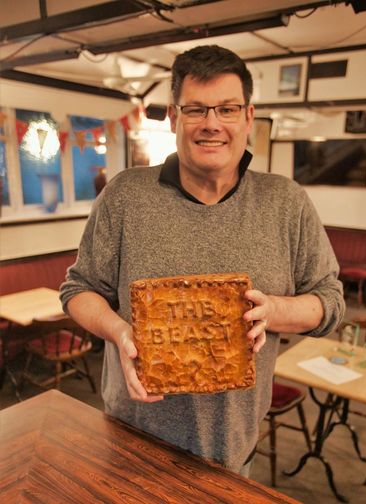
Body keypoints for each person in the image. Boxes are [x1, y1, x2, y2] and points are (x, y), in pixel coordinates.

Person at [60, 45, 345, 476]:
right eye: (196, 109)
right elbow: (77, 290)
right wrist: (120, 332)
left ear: (249, 116)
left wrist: (275, 310)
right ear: (174, 118)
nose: (212, 124)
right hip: (130, 443)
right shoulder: (125, 196)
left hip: (232, 451)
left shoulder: (287, 203)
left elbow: (331, 300)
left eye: (227, 109)